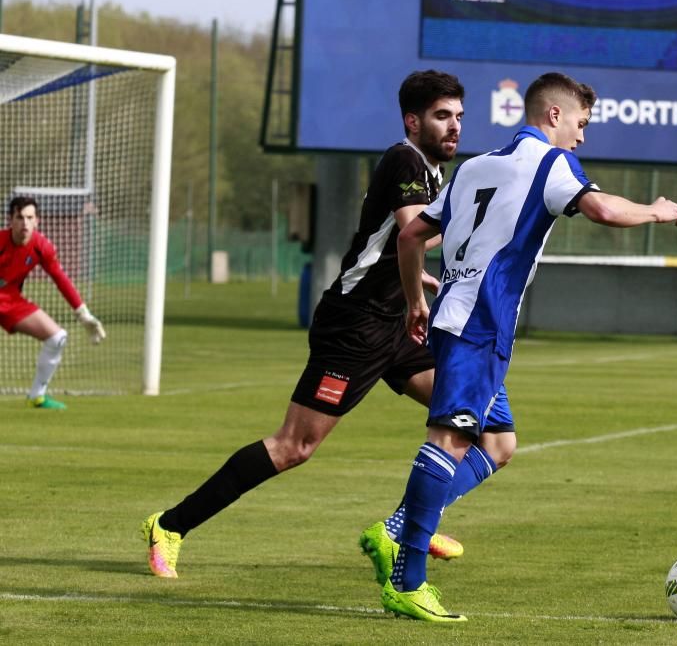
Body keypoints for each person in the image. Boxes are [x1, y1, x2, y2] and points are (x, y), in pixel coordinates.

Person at [141, 70, 517, 583]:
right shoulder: (405, 159)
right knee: (294, 446)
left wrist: (415, 279)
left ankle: (409, 524)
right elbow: (411, 231)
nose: (454, 127)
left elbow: (398, 242)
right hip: (357, 326)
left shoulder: (431, 171)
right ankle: (169, 525)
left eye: (459, 117)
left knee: (480, 429)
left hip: (398, 324)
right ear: (413, 120)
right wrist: (421, 285)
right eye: (442, 116)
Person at [384, 72, 677, 622]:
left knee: (500, 443)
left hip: (457, 316)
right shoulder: (551, 165)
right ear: (554, 116)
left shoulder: (474, 166)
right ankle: (407, 576)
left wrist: (414, 302)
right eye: (581, 123)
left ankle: (403, 526)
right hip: (481, 324)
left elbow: (409, 236)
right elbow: (604, 210)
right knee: (448, 439)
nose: (582, 136)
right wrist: (656, 210)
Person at [1, 196, 106, 410]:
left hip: (10, 300)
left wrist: (83, 313)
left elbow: (61, 279)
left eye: (30, 218)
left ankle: (37, 397)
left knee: (57, 337)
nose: (25, 223)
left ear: (37, 220)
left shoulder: (42, 247)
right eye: (20, 218)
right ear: (10, 220)